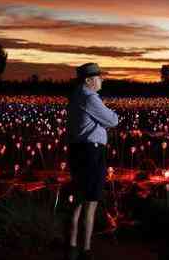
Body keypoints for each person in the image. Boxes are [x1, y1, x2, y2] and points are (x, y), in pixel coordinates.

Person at [65, 63, 119, 260]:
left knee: (78, 200)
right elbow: (113, 120)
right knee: (91, 202)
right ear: (89, 80)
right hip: (91, 152)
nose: (102, 80)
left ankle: (71, 246)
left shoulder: (74, 96)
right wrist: (109, 117)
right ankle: (85, 250)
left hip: (77, 150)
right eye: (99, 77)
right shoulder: (89, 97)